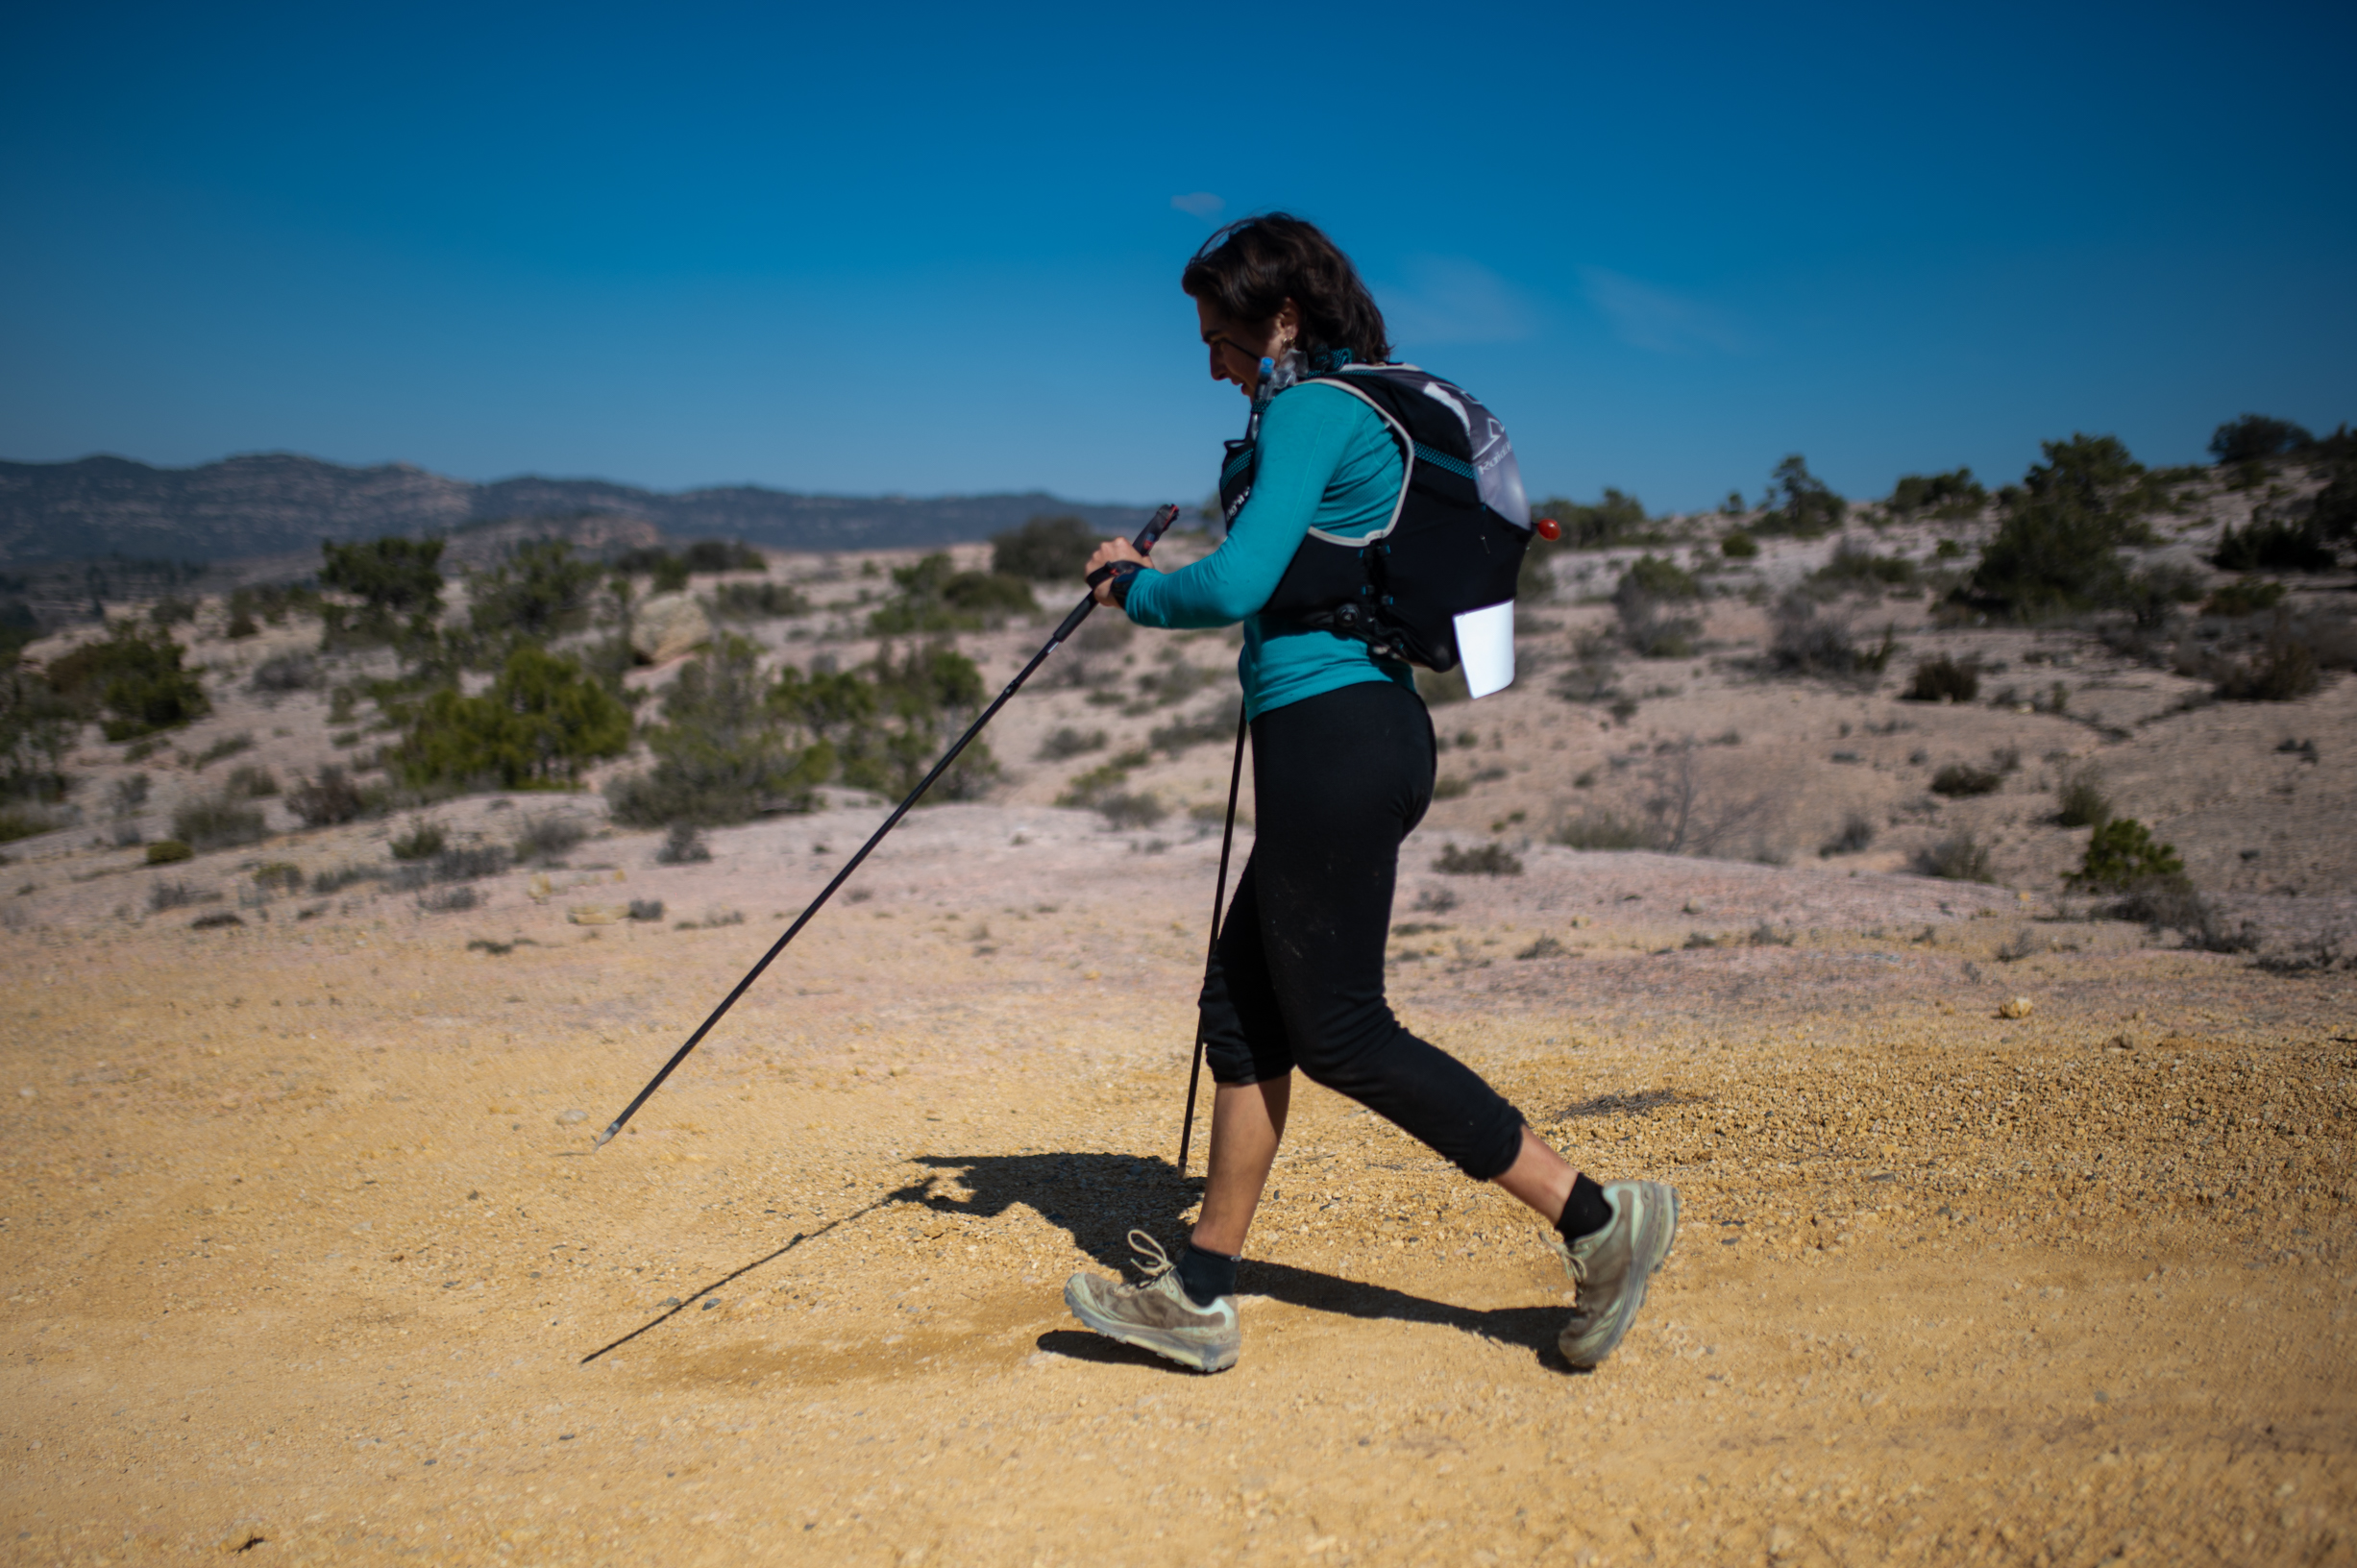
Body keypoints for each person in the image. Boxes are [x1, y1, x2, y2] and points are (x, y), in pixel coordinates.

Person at [1063, 214, 1679, 1375]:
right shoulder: (1324, 414)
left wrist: (1134, 590)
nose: (1212, 364)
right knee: (1242, 1013)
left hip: (1336, 737)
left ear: (1281, 317)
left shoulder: (1315, 410)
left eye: (1221, 336)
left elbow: (1239, 583)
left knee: (1340, 1029)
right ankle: (1198, 1291)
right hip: (1348, 735)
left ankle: (1599, 1222)